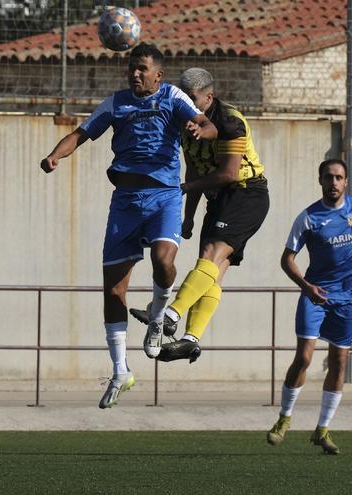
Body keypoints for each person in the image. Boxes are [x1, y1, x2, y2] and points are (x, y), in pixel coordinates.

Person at [40, 44, 217, 409]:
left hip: (164, 197)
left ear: (158, 75)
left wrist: (200, 129)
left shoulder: (172, 96)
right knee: (113, 291)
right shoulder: (116, 103)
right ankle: (121, 370)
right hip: (125, 202)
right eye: (131, 68)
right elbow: (81, 133)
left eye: (141, 69)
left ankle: (157, 315)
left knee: (164, 260)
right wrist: (55, 155)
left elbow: (207, 123)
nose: (135, 74)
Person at [131, 68, 269, 363]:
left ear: (209, 96)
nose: (188, 104)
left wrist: (184, 187)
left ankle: (169, 314)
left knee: (210, 254)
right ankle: (191, 339)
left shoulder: (230, 120)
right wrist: (189, 216)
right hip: (218, 198)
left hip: (246, 192)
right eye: (184, 98)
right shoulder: (186, 123)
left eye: (193, 98)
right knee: (213, 273)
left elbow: (229, 173)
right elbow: (194, 169)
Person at [265, 158, 352, 455]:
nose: (333, 183)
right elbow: (287, 259)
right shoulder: (308, 218)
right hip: (315, 295)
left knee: (339, 362)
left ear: (346, 181)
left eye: (339, 177)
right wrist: (307, 287)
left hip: (349, 297)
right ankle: (284, 418)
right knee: (304, 358)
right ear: (320, 181)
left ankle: (322, 430)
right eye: (328, 178)